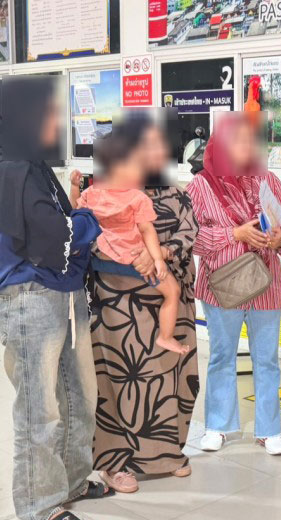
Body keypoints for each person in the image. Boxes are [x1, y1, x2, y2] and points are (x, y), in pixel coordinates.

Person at [0, 77, 112, 520]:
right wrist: (87, 219)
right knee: (40, 408)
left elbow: (62, 227)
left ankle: (71, 481)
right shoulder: (10, 170)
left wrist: (78, 221)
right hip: (30, 300)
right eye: (46, 113)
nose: (56, 121)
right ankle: (38, 503)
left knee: (79, 395)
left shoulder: (31, 166)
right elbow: (56, 235)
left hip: (61, 294)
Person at [88, 112, 200, 493]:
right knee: (122, 381)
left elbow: (189, 234)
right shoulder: (104, 191)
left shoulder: (175, 193)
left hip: (170, 302)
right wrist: (129, 256)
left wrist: (160, 254)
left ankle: (167, 454)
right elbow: (85, 234)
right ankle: (114, 462)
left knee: (172, 379)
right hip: (120, 306)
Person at [188, 113, 281, 456]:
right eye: (239, 141)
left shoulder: (268, 180)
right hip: (222, 287)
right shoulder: (201, 185)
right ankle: (218, 426)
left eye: (251, 141)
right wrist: (235, 234)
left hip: (266, 286)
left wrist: (280, 239)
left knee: (267, 360)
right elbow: (192, 237)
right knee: (222, 356)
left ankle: (269, 430)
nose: (247, 147)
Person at [78, 130, 189, 355]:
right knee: (172, 291)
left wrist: (73, 188)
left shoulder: (91, 192)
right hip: (132, 263)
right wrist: (157, 259)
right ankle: (166, 337)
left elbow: (77, 216)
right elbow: (147, 230)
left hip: (102, 261)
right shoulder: (137, 197)